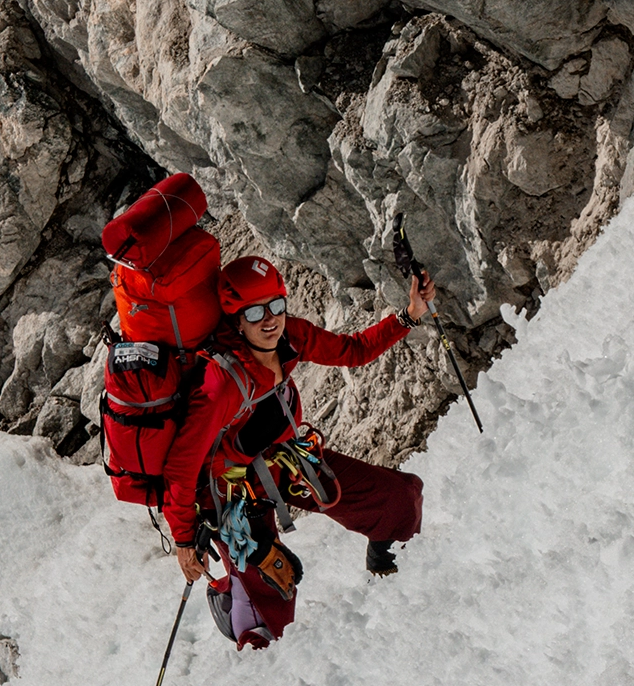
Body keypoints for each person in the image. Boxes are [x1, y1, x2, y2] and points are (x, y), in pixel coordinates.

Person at [159, 255, 435, 643]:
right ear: (235, 320)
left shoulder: (290, 338)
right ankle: (248, 642)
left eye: (276, 306)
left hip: (283, 463)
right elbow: (181, 469)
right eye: (255, 312)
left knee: (399, 499)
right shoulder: (220, 382)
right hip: (231, 496)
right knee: (271, 602)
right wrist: (185, 542)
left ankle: (389, 569)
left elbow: (352, 351)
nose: (269, 320)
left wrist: (409, 315)